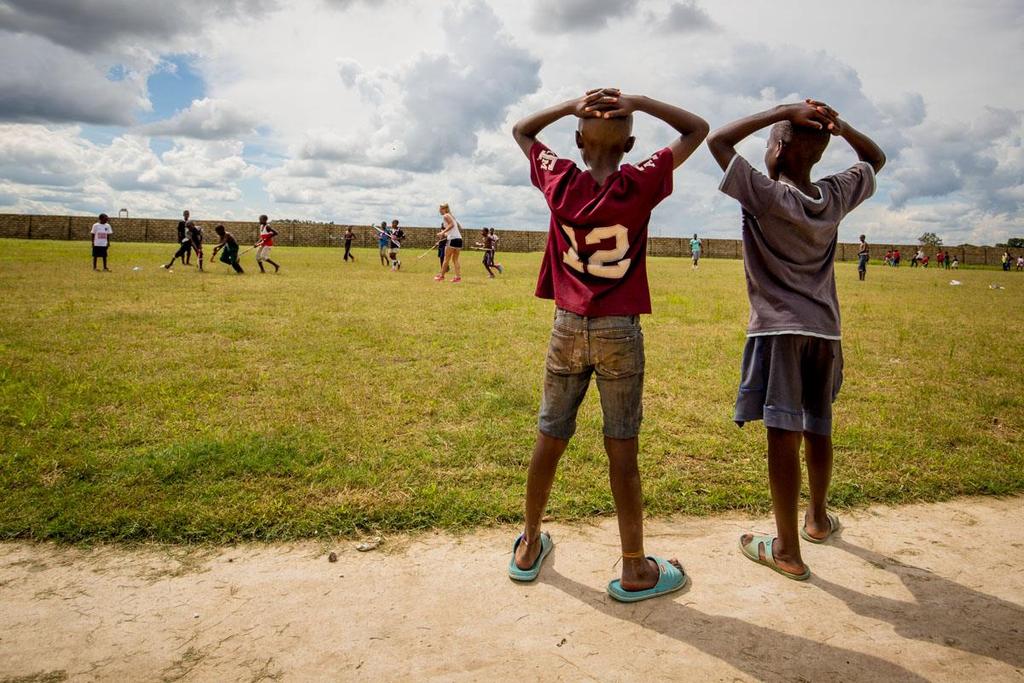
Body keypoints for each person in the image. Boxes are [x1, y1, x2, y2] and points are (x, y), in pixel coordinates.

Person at [508, 87, 708, 602]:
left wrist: (570, 105)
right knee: (622, 447)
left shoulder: (561, 180)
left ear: (577, 141)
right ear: (631, 143)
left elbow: (522, 131)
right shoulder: (639, 182)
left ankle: (529, 544)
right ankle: (635, 567)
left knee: (550, 436)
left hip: (568, 323)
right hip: (621, 327)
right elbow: (697, 129)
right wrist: (639, 100)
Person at [707, 97, 885, 581]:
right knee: (819, 423)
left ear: (781, 149)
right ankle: (818, 519)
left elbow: (716, 140)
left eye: (770, 141)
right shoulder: (833, 196)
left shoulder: (766, 195)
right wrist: (838, 125)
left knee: (782, 433)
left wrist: (780, 111)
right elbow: (876, 160)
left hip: (779, 328)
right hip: (825, 330)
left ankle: (786, 548)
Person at [434, 203, 463, 283]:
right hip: (459, 239)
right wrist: (445, 234)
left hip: (452, 240)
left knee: (446, 259)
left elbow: (451, 225)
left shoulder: (446, 216)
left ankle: (441, 276)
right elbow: (457, 227)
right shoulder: (451, 216)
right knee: (455, 260)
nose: (439, 210)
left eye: (440, 209)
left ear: (443, 209)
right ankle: (458, 277)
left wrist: (443, 232)